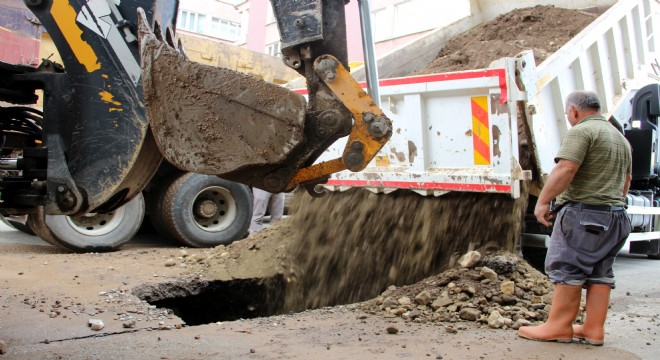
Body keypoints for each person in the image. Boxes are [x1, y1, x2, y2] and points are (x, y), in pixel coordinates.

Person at [517, 90, 632, 346]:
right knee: (601, 272)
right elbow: (626, 181)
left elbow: (566, 168)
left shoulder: (582, 131)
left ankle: (558, 326)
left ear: (574, 112)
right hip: (616, 216)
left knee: (567, 265)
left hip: (584, 215)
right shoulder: (620, 139)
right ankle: (593, 329)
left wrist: (544, 201)